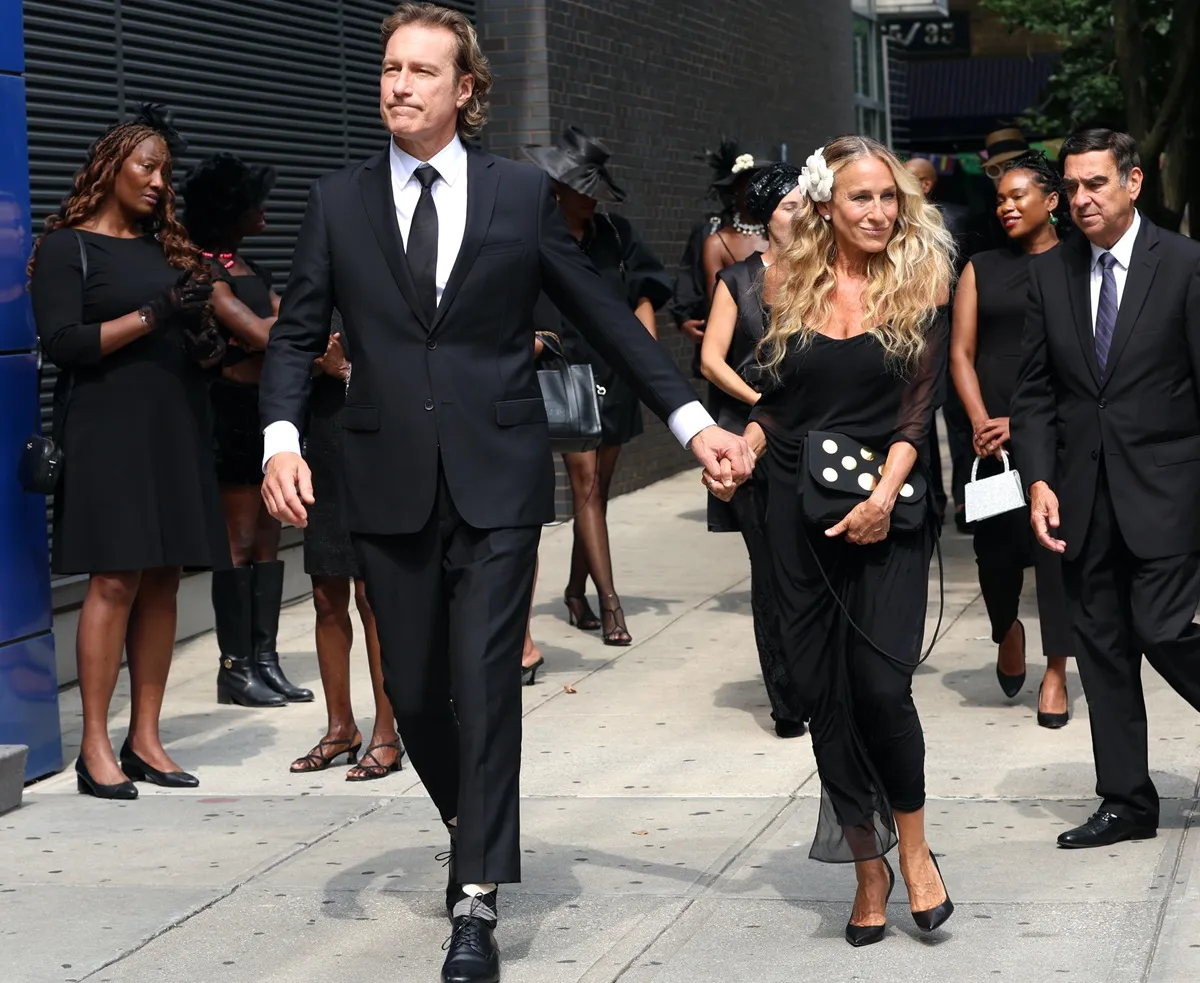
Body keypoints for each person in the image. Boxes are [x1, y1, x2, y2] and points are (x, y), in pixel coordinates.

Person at [256, 6, 751, 981]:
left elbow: (605, 316)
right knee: (411, 688)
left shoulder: (520, 196)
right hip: (385, 478)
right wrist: (279, 437)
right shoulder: (338, 201)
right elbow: (293, 329)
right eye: (391, 67)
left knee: (486, 683)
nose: (399, 84)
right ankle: (471, 819)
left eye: (422, 70)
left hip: (496, 480)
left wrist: (694, 424)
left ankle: (475, 892)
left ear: (466, 91)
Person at [710, 136, 955, 946]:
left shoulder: (922, 282)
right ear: (827, 207)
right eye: (861, 198)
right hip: (794, 510)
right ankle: (866, 864)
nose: (880, 212)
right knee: (820, 692)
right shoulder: (785, 285)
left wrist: (886, 495)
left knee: (882, 688)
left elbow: (919, 411)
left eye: (889, 197)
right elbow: (778, 404)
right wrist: (740, 448)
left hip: (889, 509)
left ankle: (914, 850)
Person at [27, 104, 227, 799]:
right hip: (106, 430)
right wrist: (154, 314)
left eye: (166, 173)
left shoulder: (161, 249)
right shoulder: (66, 247)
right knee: (114, 580)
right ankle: (93, 744)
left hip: (174, 424)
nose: (159, 183)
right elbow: (64, 344)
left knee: (166, 578)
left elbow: (185, 331)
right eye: (147, 166)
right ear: (110, 166)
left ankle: (145, 737)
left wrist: (203, 337)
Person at [1011, 128, 1200, 849]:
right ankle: (1126, 801)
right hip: (1083, 499)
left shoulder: (1184, 265)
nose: (1081, 199)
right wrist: (1037, 479)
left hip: (1168, 495)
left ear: (1133, 183)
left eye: (1096, 183)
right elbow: (1032, 394)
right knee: (1104, 649)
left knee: (1160, 628)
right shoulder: (1049, 273)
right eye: (1072, 187)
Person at [524, 125, 674, 646]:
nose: (589, 200)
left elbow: (643, 292)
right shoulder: (535, 234)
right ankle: (611, 605)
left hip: (615, 368)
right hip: (563, 367)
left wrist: (645, 346)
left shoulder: (614, 234)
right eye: (580, 189)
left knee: (599, 494)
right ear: (557, 186)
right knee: (585, 484)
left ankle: (572, 589)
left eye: (595, 190)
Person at [182, 153, 312, 708]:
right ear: (228, 209)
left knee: (268, 537)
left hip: (266, 412)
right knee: (237, 540)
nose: (263, 211)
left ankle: (266, 660)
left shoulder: (245, 268)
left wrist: (291, 323)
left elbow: (284, 320)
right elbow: (263, 333)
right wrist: (292, 325)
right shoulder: (205, 273)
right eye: (252, 203)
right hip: (232, 412)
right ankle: (235, 667)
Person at [951, 151, 1074, 727]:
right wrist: (980, 421)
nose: (1006, 205)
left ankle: (1056, 671)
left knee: (1054, 554)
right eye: (999, 197)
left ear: (1052, 201)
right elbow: (961, 353)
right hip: (991, 441)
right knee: (995, 554)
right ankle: (1008, 628)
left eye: (1018, 195)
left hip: (1057, 431)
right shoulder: (981, 266)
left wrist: (1024, 423)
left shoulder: (1078, 265)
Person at [700, 161, 807, 738]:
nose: (803, 215)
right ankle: (787, 700)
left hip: (814, 438)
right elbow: (711, 359)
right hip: (749, 441)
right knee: (770, 572)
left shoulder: (829, 273)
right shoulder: (739, 280)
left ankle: (822, 679)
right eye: (790, 207)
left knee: (813, 566)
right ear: (766, 218)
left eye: (806, 204)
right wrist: (761, 397)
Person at [289, 330, 404, 780]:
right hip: (322, 441)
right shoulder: (315, 291)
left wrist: (345, 371)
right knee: (325, 594)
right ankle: (341, 728)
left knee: (371, 596)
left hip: (378, 443)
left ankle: (387, 732)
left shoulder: (387, 280)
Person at [904, 155, 975, 530]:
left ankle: (965, 498)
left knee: (960, 417)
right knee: (917, 414)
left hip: (951, 327)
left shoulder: (957, 217)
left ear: (927, 184)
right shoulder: (892, 221)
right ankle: (929, 497)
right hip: (908, 330)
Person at [669, 138, 739, 377]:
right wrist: (684, 319)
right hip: (721, 339)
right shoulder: (710, 230)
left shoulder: (772, 226)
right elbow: (690, 274)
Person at [701, 150, 770, 300]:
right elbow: (716, 301)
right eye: (749, 182)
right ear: (736, 189)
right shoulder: (717, 243)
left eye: (763, 183)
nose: (757, 190)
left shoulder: (783, 234)